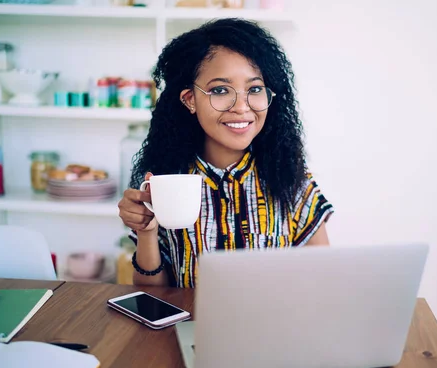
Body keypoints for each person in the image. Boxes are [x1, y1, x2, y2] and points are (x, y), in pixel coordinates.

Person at [118, 18, 334, 288]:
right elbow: (152, 294)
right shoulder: (167, 182)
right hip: (192, 327)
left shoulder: (291, 179)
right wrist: (146, 232)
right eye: (220, 90)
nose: (242, 108)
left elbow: (325, 279)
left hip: (273, 326)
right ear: (189, 100)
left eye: (254, 89)